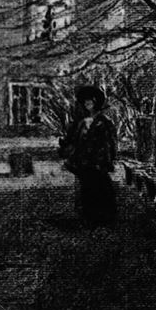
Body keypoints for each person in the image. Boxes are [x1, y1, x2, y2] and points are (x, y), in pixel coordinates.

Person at [58, 85, 117, 227]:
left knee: (101, 188)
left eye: (90, 100)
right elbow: (75, 141)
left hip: (98, 161)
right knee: (86, 189)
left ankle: (105, 217)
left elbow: (110, 143)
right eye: (85, 101)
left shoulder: (105, 122)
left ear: (96, 102)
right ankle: (89, 217)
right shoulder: (81, 122)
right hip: (84, 162)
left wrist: (105, 159)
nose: (87, 103)